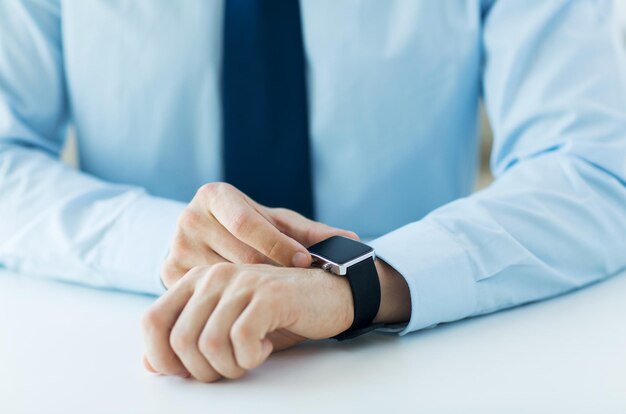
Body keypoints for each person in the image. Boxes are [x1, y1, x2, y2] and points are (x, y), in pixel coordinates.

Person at [1, 0, 626, 383]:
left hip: (426, 365)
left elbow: (595, 169)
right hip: (132, 367)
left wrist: (366, 283)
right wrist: (175, 249)